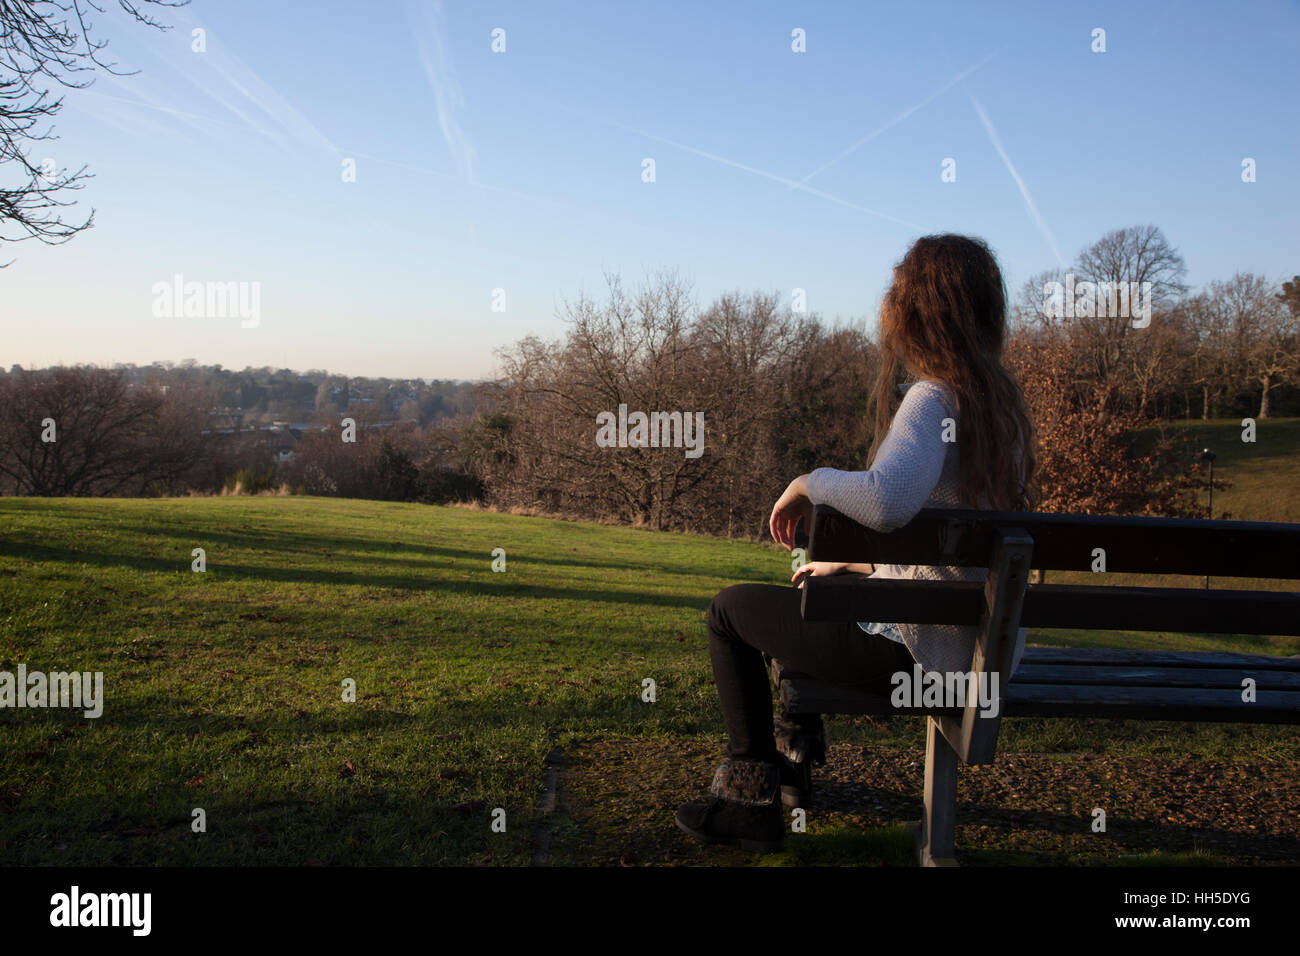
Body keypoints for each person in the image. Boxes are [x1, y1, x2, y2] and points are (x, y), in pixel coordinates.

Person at [674, 234, 1040, 854]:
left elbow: (888, 498)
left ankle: (748, 804)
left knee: (729, 612)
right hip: (983, 657)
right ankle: (793, 758)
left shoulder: (932, 399)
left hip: (920, 663)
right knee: (819, 581)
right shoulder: (1003, 412)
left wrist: (808, 482)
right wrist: (858, 562)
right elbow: (952, 553)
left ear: (915, 313)